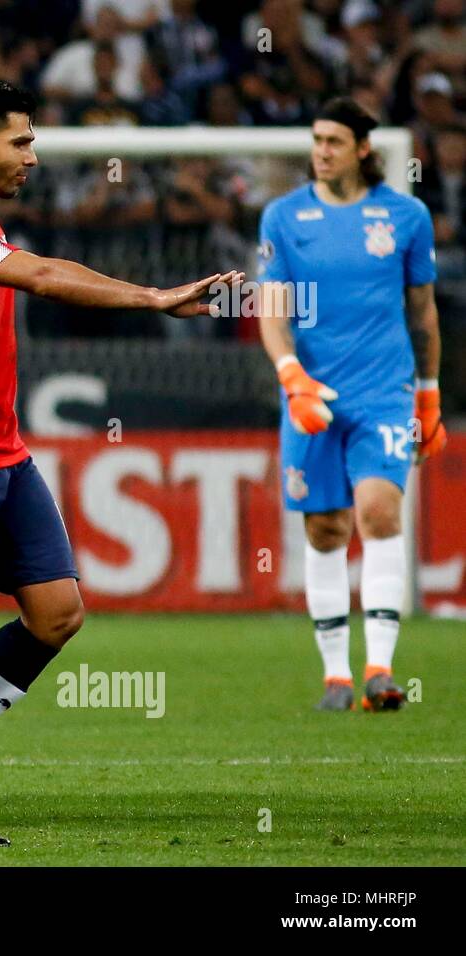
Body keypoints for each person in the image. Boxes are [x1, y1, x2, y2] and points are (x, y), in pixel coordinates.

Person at [0, 76, 238, 847]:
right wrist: (150, 298)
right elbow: (38, 274)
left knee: (57, 611)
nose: (34, 156)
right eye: (22, 140)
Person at [257, 97, 444, 713]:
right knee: (326, 527)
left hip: (384, 392)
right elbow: (272, 308)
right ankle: (336, 677)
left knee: (379, 512)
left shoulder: (407, 216)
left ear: (364, 148)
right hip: (312, 394)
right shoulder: (283, 217)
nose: (321, 150)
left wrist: (430, 393)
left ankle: (381, 671)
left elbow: (422, 312)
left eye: (334, 140)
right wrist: (292, 378)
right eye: (316, 138)